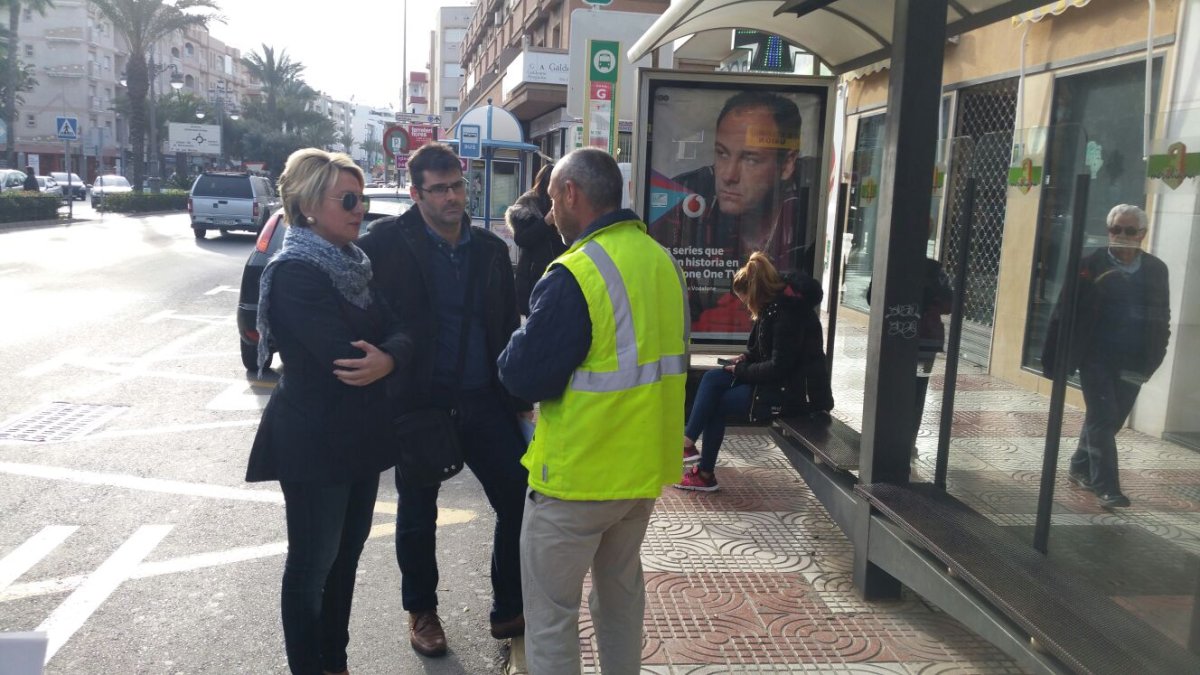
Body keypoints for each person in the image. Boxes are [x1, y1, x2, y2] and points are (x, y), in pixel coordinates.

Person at [498, 147, 688, 675]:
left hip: (577, 482)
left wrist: (517, 335)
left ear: (571, 194)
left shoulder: (576, 273)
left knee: (552, 613)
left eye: (552, 200)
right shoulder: (661, 261)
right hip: (640, 476)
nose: (550, 212)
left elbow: (522, 373)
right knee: (621, 598)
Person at [356, 141, 529, 657]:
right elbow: (367, 314)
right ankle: (422, 611)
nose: (454, 197)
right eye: (440, 189)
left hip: (483, 398)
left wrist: (516, 394)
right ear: (416, 193)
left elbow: (505, 325)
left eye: (459, 186)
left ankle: (508, 606)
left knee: (520, 496)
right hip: (421, 402)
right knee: (417, 512)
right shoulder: (384, 245)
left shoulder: (492, 249)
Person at [246, 148, 411, 675]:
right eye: (348, 199)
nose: (359, 208)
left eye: (360, 197)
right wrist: (384, 353)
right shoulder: (296, 271)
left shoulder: (353, 264)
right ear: (310, 204)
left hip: (359, 439)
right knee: (312, 567)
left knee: (345, 562)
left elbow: (401, 328)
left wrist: (390, 356)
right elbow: (342, 354)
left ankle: (334, 661)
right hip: (314, 442)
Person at [1042, 204, 1170, 509]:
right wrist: (1052, 359)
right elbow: (1064, 312)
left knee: (1111, 418)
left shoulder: (1155, 269)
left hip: (1136, 359)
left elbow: (1162, 314)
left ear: (1142, 234)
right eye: (1116, 229)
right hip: (1095, 356)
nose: (1122, 236)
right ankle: (1107, 487)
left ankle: (1079, 464)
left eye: (1129, 230)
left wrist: (1157, 354)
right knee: (1102, 416)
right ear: (1108, 230)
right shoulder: (1089, 264)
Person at [650, 91, 807, 333]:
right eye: (722, 154)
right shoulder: (683, 197)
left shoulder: (803, 214)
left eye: (750, 159)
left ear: (786, 165)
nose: (728, 175)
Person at [676, 252, 834, 491]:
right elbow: (768, 353)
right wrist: (747, 358)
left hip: (795, 395)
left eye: (744, 299)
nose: (744, 305)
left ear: (756, 292)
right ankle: (689, 446)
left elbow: (779, 367)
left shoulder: (786, 315)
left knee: (715, 405)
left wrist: (742, 369)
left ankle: (703, 470)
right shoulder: (775, 307)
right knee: (712, 378)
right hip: (780, 383)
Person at [866, 257, 953, 467]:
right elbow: (949, 303)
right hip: (924, 342)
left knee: (894, 387)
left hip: (900, 339)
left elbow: (872, 297)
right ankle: (906, 441)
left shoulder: (891, 260)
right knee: (916, 391)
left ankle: (889, 439)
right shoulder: (933, 271)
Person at [507, 163, 567, 316]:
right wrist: (546, 222)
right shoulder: (527, 205)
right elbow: (521, 239)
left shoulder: (566, 204)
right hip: (533, 277)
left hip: (561, 275)